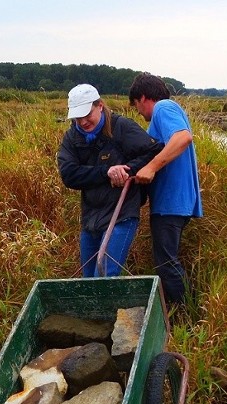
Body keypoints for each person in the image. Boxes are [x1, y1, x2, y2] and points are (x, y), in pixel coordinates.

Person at [57, 84, 162, 277]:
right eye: (77, 117)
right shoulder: (72, 138)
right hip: (91, 217)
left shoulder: (122, 127)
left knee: (104, 275)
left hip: (122, 213)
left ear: (99, 106)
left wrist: (126, 171)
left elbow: (154, 151)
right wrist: (106, 172)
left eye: (87, 115)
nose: (83, 122)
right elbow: (69, 174)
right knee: (88, 279)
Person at [128, 72, 202, 305]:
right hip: (172, 202)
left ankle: (186, 316)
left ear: (143, 97)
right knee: (166, 262)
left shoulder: (164, 108)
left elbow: (183, 138)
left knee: (166, 264)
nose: (138, 112)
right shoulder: (167, 112)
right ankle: (180, 310)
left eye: (136, 106)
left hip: (171, 203)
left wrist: (150, 167)